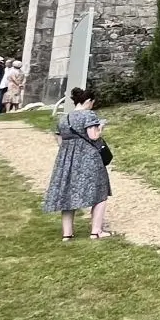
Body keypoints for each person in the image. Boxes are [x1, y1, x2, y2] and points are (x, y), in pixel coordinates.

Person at [42, 88, 114, 240]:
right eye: (92, 103)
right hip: (89, 158)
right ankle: (96, 231)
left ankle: (67, 234)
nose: (92, 106)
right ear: (88, 101)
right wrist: (100, 127)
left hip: (67, 160)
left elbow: (60, 141)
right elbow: (93, 136)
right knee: (99, 192)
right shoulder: (88, 115)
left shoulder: (64, 118)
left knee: (68, 195)